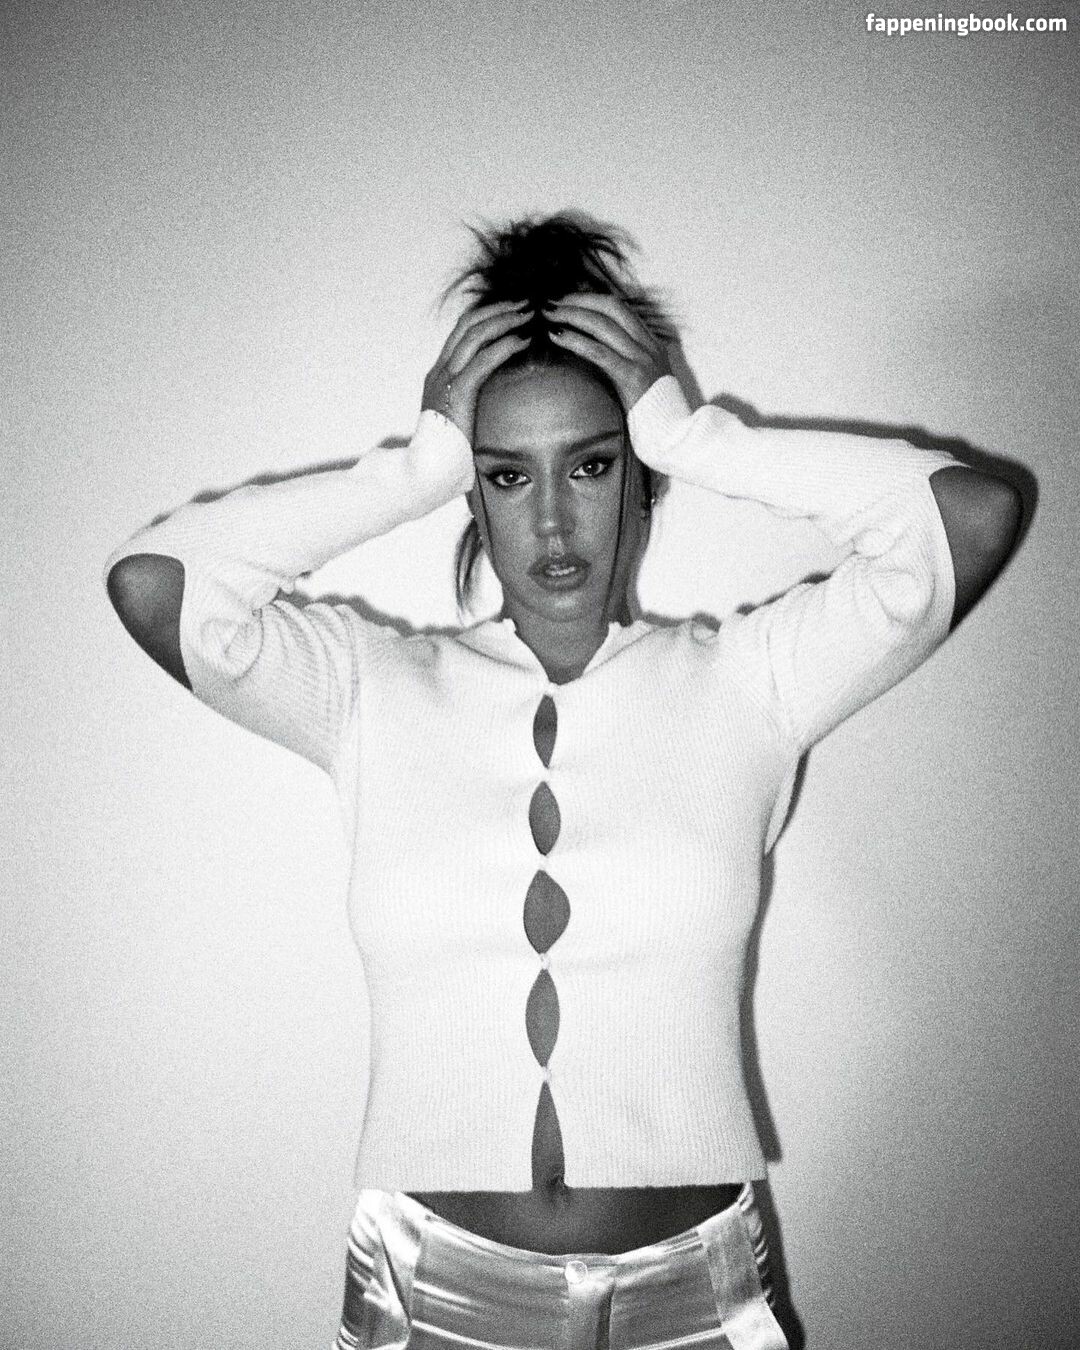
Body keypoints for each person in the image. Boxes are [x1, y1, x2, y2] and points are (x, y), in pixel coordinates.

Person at [102, 210, 1022, 1350]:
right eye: (505, 475)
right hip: (430, 1302)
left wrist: (693, 435)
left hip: (698, 1301)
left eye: (591, 464)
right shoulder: (370, 688)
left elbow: (969, 517)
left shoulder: (749, 681)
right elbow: (156, 584)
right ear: (472, 495)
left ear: (640, 477)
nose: (550, 518)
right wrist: (415, 468)